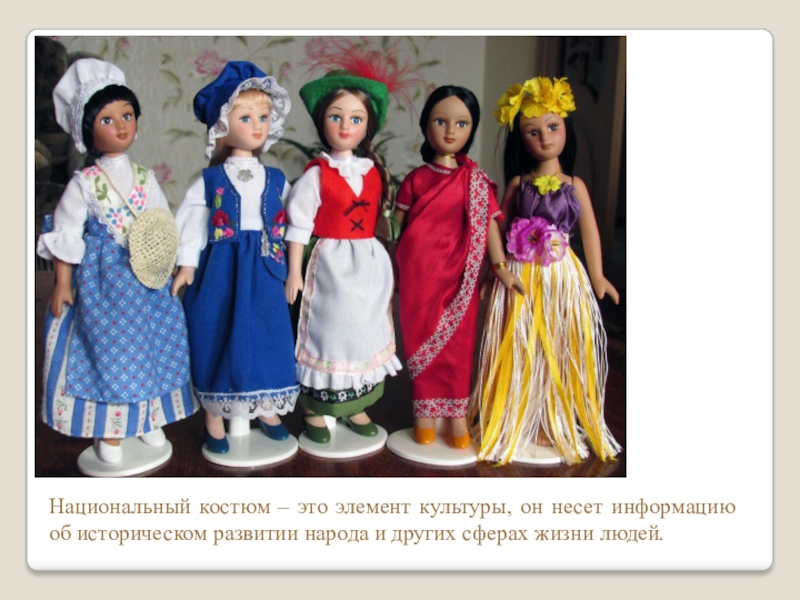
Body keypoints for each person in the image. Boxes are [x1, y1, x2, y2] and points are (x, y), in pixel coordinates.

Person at [39, 58, 197, 464]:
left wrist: (172, 260)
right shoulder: (85, 182)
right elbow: (67, 233)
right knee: (111, 351)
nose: (121, 126)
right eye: (107, 120)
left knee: (154, 346)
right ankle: (109, 429)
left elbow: (161, 221)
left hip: (147, 278)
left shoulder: (145, 177)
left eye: (127, 115)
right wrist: (62, 282)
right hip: (106, 282)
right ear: (87, 131)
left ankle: (147, 417)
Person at [470, 76, 622, 465]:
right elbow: (498, 230)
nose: (545, 138)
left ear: (566, 129)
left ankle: (548, 419)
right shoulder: (519, 184)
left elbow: (589, 232)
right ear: (521, 138)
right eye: (533, 132)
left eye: (553, 127)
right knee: (520, 344)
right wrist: (492, 272)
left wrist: (598, 276)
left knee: (556, 343)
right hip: (521, 275)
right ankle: (515, 416)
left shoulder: (574, 185)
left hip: (560, 276)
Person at [172, 61, 298, 454]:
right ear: (222, 126)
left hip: (265, 267)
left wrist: (298, 265)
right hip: (221, 269)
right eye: (245, 117)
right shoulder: (210, 180)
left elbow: (298, 219)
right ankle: (215, 412)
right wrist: (187, 264)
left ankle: (265, 405)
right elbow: (193, 222)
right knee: (217, 333)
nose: (257, 126)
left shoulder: (276, 178)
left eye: (263, 117)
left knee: (268, 334)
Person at [394, 85, 520, 448]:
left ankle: (456, 417)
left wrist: (500, 267)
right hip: (419, 276)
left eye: (461, 124)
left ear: (472, 129)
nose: (450, 131)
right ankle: (424, 414)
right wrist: (386, 267)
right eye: (441, 121)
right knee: (420, 343)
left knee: (460, 346)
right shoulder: (417, 179)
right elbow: (397, 230)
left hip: (462, 278)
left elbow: (490, 227)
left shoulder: (476, 182)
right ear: (426, 125)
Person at [284, 71, 402, 444]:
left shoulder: (373, 172)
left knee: (362, 332)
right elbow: (298, 225)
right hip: (330, 265)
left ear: (368, 126)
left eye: (356, 118)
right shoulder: (317, 175)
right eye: (336, 116)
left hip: (367, 262)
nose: (346, 126)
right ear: (322, 122)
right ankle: (315, 406)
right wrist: (294, 272)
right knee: (329, 333)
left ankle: (354, 403)